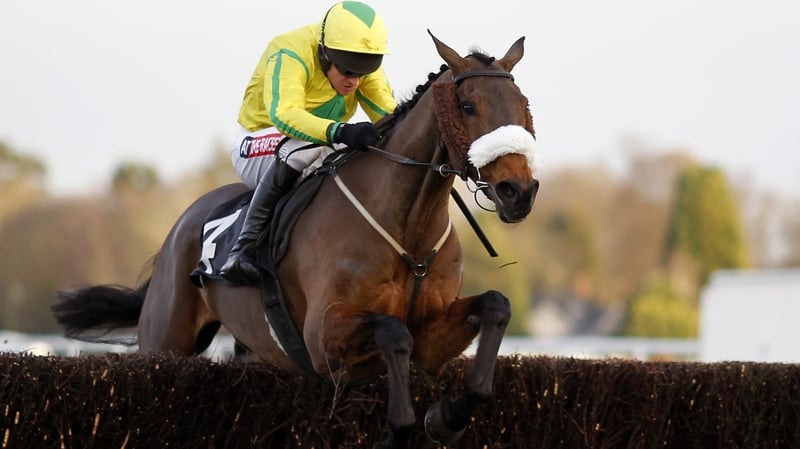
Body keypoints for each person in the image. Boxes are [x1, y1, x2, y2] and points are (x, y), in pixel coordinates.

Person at [220, 1, 398, 285]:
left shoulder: (358, 60)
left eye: (362, 72)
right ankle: (244, 248)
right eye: (347, 70)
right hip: (258, 142)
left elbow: (389, 115)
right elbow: (285, 116)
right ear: (324, 52)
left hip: (320, 141)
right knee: (307, 147)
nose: (354, 80)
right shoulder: (288, 51)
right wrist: (340, 131)